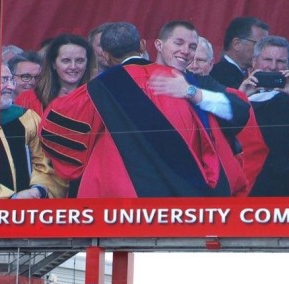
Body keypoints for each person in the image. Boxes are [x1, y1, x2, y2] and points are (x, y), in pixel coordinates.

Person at [39, 22, 249, 198]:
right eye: (178, 43)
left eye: (191, 46)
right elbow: (239, 110)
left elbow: (54, 128)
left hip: (121, 202)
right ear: (144, 45)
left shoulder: (100, 88)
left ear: (104, 54)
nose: (185, 51)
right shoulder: (191, 83)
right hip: (184, 199)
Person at [238, 36, 289, 196]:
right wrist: (240, 99)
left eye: (281, 61)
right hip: (248, 183)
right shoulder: (239, 94)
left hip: (287, 185)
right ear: (254, 61)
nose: (273, 67)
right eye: (267, 59)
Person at [0, 63, 67, 199]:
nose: (11, 86)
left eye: (11, 80)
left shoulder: (26, 117)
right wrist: (10, 198)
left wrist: (38, 190)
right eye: (4, 80)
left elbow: (46, 163)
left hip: (27, 213)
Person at [16, 34, 93, 117]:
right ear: (53, 63)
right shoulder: (28, 99)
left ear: (87, 63)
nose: (73, 67)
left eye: (80, 60)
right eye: (66, 61)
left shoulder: (97, 99)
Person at [210, 16, 269, 88]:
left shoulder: (239, 75)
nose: (264, 51)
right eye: (259, 45)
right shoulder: (220, 76)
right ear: (236, 44)